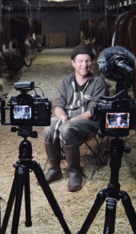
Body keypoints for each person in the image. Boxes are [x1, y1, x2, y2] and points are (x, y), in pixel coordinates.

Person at [43, 44, 108, 192]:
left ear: (92, 63)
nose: (84, 65)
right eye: (80, 61)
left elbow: (93, 110)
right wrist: (62, 116)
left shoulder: (98, 83)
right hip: (68, 120)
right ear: (73, 63)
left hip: (88, 122)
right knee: (49, 124)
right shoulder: (65, 81)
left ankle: (74, 172)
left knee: (66, 128)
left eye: (88, 61)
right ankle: (55, 169)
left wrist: (73, 120)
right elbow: (57, 105)